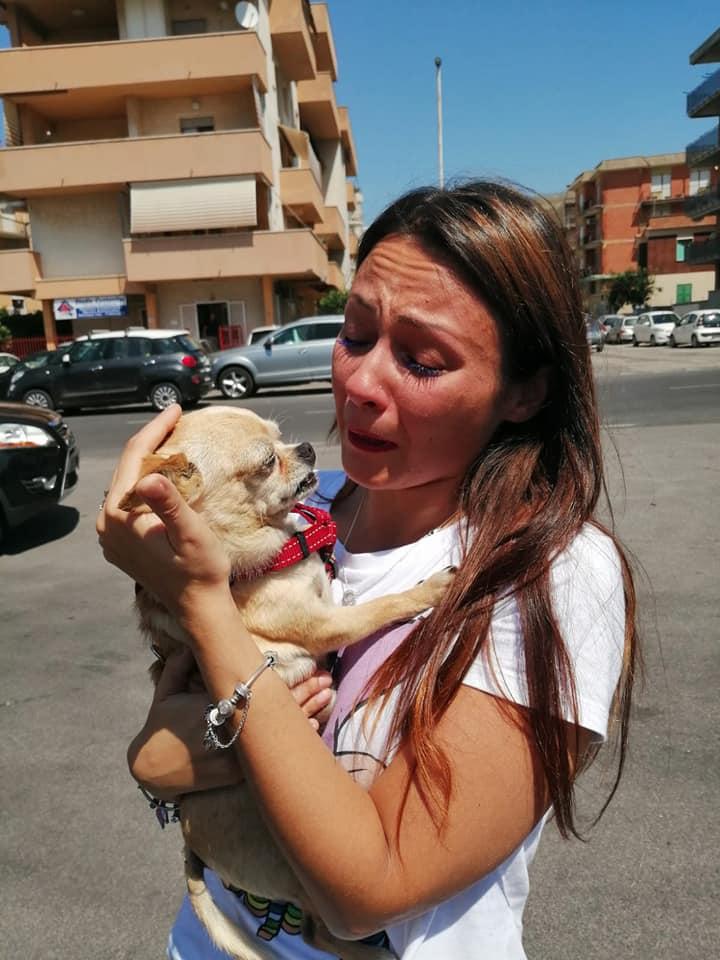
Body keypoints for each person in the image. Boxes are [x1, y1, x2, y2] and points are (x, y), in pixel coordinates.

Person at [97, 180, 638, 960]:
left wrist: (204, 608)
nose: (360, 384)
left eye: (420, 360)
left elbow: (365, 893)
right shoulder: (301, 521)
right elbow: (163, 744)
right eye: (354, 336)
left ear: (524, 392)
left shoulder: (548, 574)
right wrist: (155, 758)